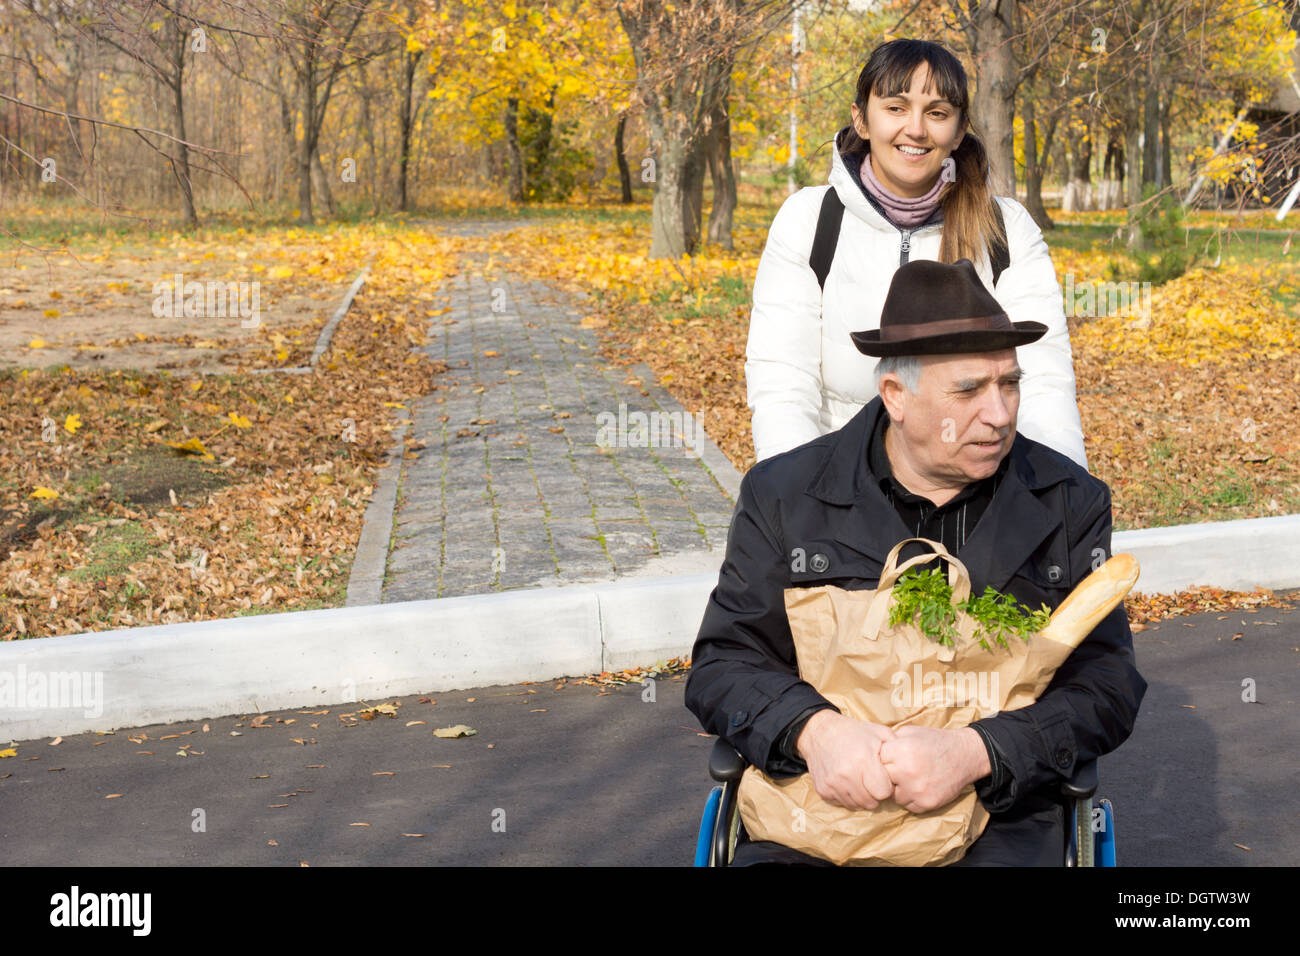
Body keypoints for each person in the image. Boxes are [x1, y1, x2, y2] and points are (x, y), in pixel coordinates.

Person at [685, 258, 1146, 866]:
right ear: (895, 396)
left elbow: (1106, 686)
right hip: (820, 808)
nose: (1001, 413)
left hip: (997, 811)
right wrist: (815, 732)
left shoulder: (1068, 503)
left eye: (1009, 384)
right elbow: (725, 661)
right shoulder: (785, 496)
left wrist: (980, 752)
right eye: (969, 390)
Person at [745, 38, 1087, 470]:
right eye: (895, 107)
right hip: (838, 484)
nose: (917, 129)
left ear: (960, 130)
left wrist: (1059, 502)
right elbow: (782, 382)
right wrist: (797, 499)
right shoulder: (810, 220)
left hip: (971, 490)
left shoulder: (1005, 230)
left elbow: (1044, 381)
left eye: (937, 113)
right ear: (862, 120)